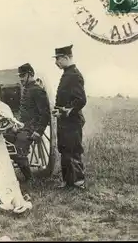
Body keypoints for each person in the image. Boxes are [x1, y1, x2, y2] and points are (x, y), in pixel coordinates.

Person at [52, 45, 87, 189]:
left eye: (58, 59)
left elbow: (81, 100)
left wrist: (65, 111)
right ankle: (67, 181)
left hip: (72, 121)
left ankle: (78, 182)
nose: (56, 63)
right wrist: (58, 110)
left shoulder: (74, 75)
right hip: (65, 120)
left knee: (73, 150)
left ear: (66, 58)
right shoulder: (68, 73)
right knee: (65, 150)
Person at [12, 63, 51, 182]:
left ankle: (29, 179)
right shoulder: (27, 89)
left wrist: (39, 132)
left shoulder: (37, 91)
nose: (21, 79)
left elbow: (45, 114)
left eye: (23, 76)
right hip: (23, 126)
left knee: (19, 148)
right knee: (4, 140)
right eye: (20, 76)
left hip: (31, 128)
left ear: (30, 75)